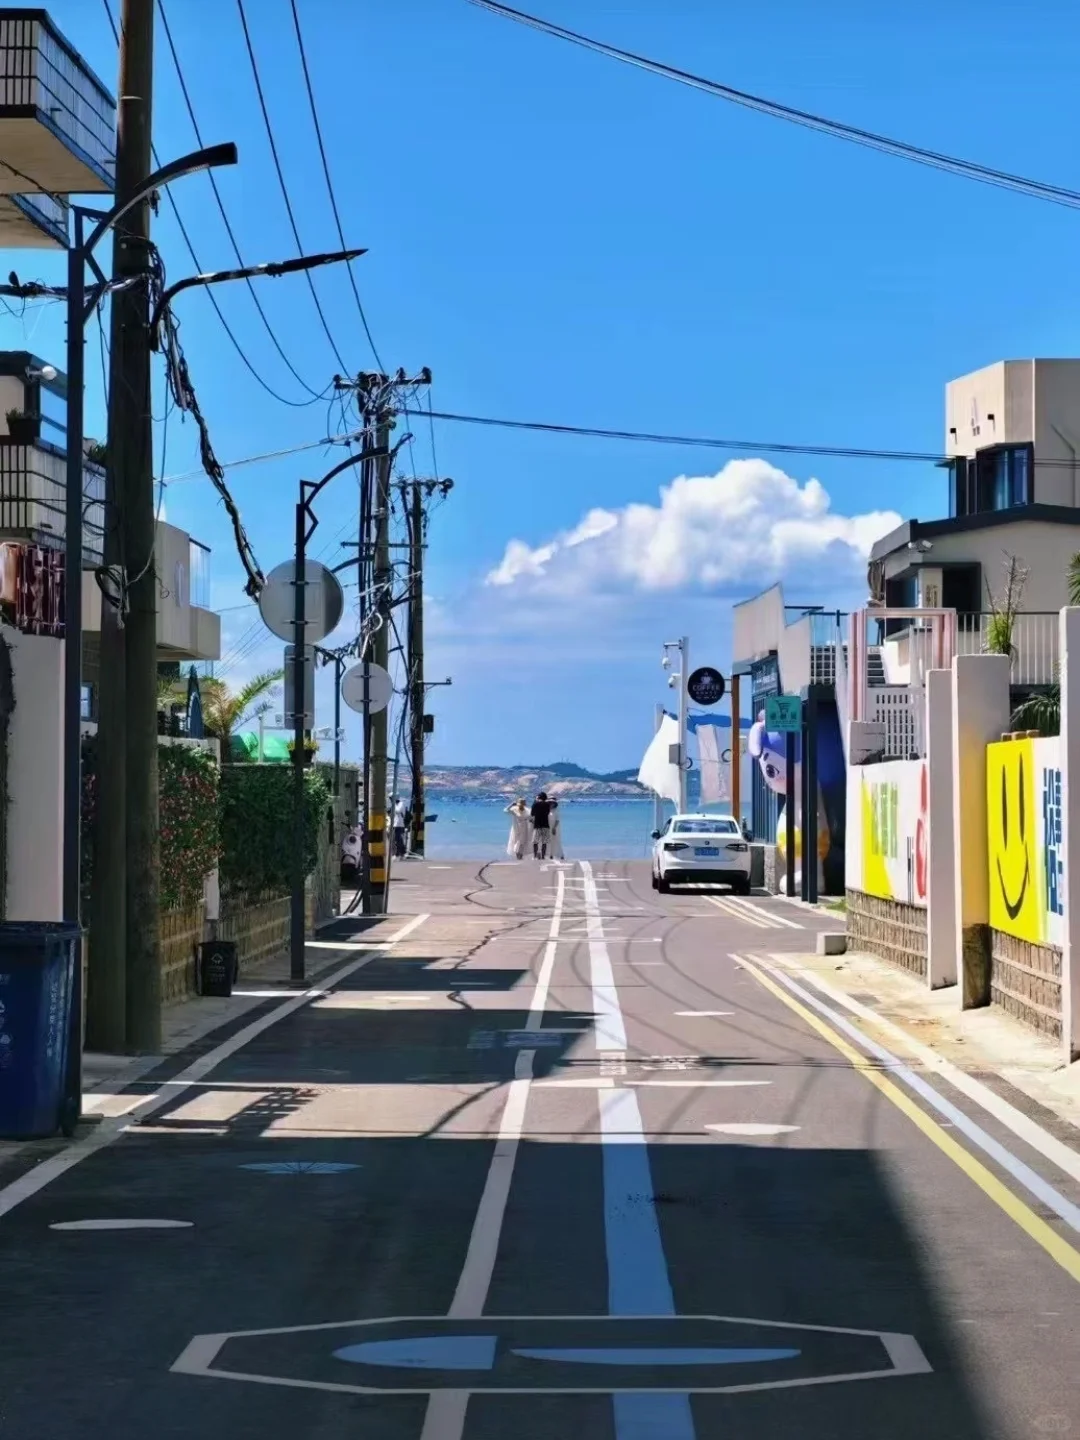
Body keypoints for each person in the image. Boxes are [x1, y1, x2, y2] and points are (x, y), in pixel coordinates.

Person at [530, 791, 552, 859]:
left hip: (537, 825)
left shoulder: (535, 804)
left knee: (535, 842)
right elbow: (548, 813)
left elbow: (532, 814)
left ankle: (535, 856)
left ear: (539, 797)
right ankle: (543, 856)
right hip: (545, 825)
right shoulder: (547, 804)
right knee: (544, 842)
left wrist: (535, 801)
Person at [391, 795, 407, 859]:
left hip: (400, 825)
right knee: (396, 840)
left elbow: (398, 811)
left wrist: (394, 804)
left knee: (399, 840)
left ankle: (399, 854)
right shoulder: (395, 804)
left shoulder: (401, 803)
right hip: (395, 825)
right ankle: (400, 853)